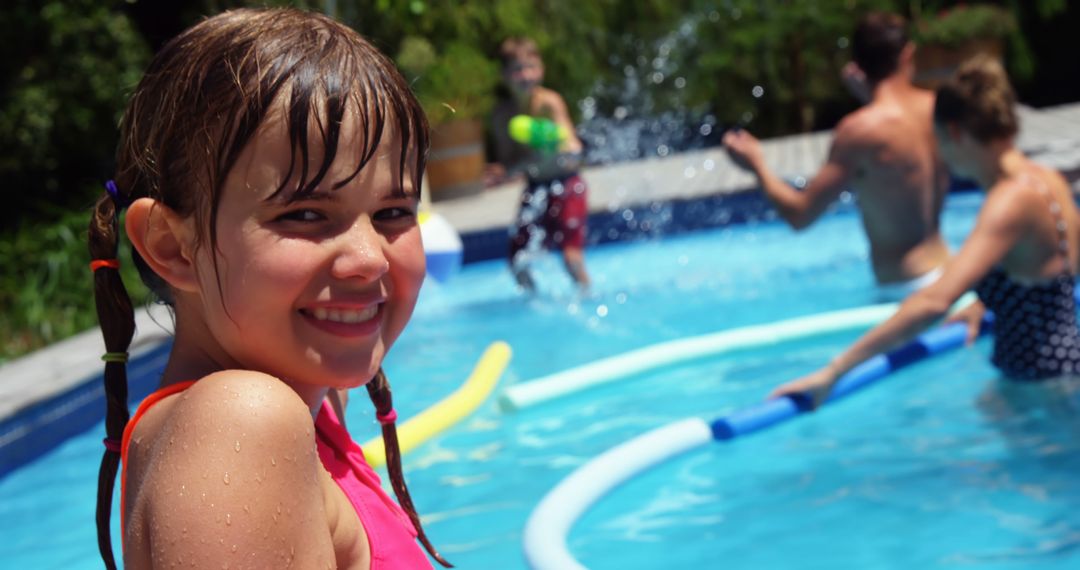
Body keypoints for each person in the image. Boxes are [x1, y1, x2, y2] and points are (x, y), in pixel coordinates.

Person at [87, 9, 450, 569]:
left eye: (394, 211)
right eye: (304, 213)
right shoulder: (240, 425)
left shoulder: (309, 403)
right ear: (172, 248)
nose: (367, 258)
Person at [771, 56, 1080, 408]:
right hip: (1059, 376)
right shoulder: (1048, 180)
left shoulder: (1008, 201)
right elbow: (1052, 273)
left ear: (954, 133)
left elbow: (934, 302)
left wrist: (834, 370)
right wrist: (988, 303)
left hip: (1040, 391)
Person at [723, 12, 950, 300]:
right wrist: (871, 97)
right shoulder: (938, 109)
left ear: (858, 66)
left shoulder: (859, 132)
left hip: (906, 287)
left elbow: (800, 214)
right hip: (950, 274)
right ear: (908, 54)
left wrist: (756, 165)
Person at [488, 36, 591, 293]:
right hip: (536, 188)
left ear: (541, 69)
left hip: (568, 185)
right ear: (505, 75)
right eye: (517, 69)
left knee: (571, 258)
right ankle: (534, 301)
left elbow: (572, 146)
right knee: (517, 262)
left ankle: (587, 295)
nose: (525, 75)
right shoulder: (502, 116)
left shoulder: (549, 103)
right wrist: (503, 172)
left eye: (531, 67)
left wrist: (555, 143)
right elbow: (509, 165)